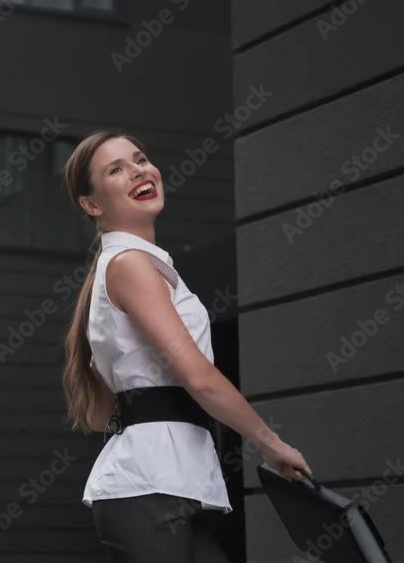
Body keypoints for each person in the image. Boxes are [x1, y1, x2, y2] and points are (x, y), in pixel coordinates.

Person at [60, 130, 314, 562]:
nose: (138, 170)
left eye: (140, 159)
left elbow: (109, 407)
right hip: (149, 490)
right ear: (92, 204)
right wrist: (270, 443)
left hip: (167, 486)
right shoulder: (130, 265)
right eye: (116, 169)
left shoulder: (140, 266)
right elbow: (198, 377)